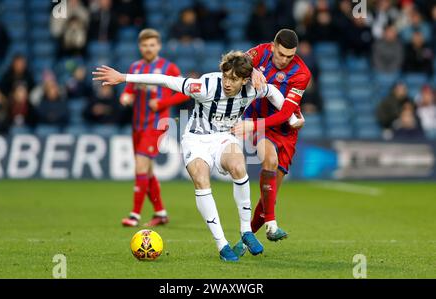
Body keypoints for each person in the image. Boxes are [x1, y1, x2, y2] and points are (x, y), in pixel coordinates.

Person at [92, 51, 301, 261]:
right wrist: (124, 77)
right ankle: (222, 245)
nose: (228, 83)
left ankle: (246, 231)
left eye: (234, 79)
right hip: (196, 139)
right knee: (201, 180)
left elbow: (273, 92)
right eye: (225, 77)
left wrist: (292, 115)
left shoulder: (253, 88)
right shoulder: (205, 86)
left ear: (245, 80)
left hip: (224, 137)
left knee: (239, 167)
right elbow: (165, 80)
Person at [233, 29, 311, 249]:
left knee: (270, 195)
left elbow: (286, 113)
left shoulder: (302, 74)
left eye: (290, 56)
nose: (284, 60)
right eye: (281, 54)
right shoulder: (259, 52)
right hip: (259, 121)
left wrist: (252, 125)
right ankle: (272, 223)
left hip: (284, 130)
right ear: (274, 45)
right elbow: (236, 64)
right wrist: (252, 71)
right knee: (269, 160)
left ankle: (244, 239)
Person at [118, 29, 189, 228]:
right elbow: (127, 91)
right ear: (140, 47)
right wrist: (126, 98)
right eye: (144, 45)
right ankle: (160, 213)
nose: (148, 49)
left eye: (152, 45)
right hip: (138, 125)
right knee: (147, 172)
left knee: (140, 165)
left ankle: (134, 215)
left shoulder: (169, 67)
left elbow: (185, 92)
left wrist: (163, 102)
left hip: (157, 124)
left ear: (158, 46)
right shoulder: (135, 67)